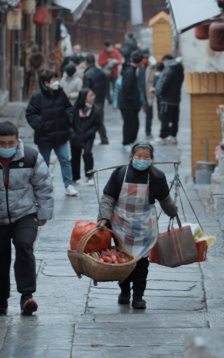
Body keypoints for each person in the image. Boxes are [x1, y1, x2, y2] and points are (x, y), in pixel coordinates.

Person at [0, 122, 54, 316]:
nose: (7, 147)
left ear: (18, 140)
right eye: (2, 143)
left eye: (11, 143)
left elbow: (44, 186)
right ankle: (0, 301)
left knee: (24, 244)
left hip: (24, 214)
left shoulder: (31, 157)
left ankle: (27, 296)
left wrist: (43, 213)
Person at [97, 143, 178, 309]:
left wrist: (173, 212)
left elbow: (165, 200)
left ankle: (138, 296)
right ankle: (125, 292)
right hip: (121, 225)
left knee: (141, 263)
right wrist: (104, 217)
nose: (142, 159)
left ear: (151, 159)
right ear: (132, 157)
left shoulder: (157, 177)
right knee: (123, 261)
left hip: (144, 227)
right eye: (139, 156)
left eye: (146, 157)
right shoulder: (119, 174)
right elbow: (108, 197)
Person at [25, 71, 79, 197]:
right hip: (44, 136)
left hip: (61, 135)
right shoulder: (37, 96)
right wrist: (41, 124)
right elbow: (30, 114)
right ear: (46, 83)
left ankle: (68, 185)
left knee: (65, 160)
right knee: (43, 163)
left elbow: (69, 107)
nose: (56, 82)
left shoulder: (60, 93)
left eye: (56, 79)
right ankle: (44, 186)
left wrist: (67, 118)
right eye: (53, 80)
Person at [70, 88, 101, 186]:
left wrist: (88, 133)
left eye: (93, 95)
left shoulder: (95, 110)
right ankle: (75, 177)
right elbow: (69, 124)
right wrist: (73, 135)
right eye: (90, 96)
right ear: (84, 98)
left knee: (87, 154)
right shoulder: (74, 109)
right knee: (75, 156)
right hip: (75, 136)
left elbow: (97, 125)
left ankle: (89, 175)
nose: (93, 98)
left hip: (88, 136)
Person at [154, 55, 185, 145]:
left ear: (167, 61)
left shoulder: (170, 69)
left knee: (165, 118)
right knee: (174, 119)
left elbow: (165, 83)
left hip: (166, 99)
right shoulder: (179, 68)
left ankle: (162, 136)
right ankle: (173, 136)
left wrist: (159, 92)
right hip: (176, 99)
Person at [119, 51, 143, 152]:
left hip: (130, 104)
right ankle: (126, 143)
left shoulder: (130, 70)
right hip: (128, 104)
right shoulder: (130, 72)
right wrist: (134, 100)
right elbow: (126, 89)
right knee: (129, 124)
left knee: (134, 123)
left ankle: (131, 141)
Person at [82, 53, 109, 145]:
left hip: (90, 100)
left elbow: (86, 90)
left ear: (86, 62)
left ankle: (89, 139)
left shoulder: (87, 74)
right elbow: (106, 86)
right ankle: (104, 138)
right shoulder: (101, 72)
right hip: (100, 99)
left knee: (88, 120)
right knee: (99, 120)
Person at [98, 40, 122, 105]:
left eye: (110, 46)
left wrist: (115, 62)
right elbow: (100, 63)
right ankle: (109, 100)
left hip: (114, 73)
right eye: (107, 46)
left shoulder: (115, 52)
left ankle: (115, 100)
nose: (109, 48)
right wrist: (106, 61)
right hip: (106, 74)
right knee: (107, 89)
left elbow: (120, 60)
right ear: (105, 46)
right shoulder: (102, 53)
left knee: (115, 88)